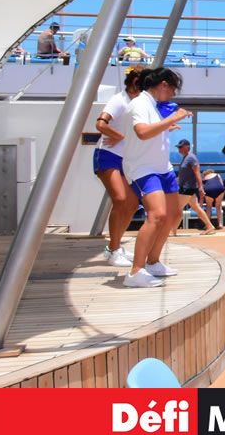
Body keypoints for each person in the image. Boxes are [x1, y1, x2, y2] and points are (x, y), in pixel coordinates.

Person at [120, 67, 191, 288]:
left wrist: (167, 127)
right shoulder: (140, 103)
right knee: (157, 214)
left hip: (162, 167)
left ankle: (153, 262)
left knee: (173, 214)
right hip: (143, 168)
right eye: (172, 90)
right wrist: (172, 118)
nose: (172, 95)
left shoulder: (152, 105)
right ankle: (135, 272)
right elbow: (142, 132)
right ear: (163, 85)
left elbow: (151, 132)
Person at [92, 67, 146, 267]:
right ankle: (114, 250)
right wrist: (120, 136)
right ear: (132, 82)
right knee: (121, 199)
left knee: (132, 204)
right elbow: (100, 124)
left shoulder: (139, 103)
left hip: (125, 159)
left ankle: (114, 247)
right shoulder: (118, 100)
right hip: (107, 156)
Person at [173, 140, 217, 235]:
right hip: (185, 188)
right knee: (196, 208)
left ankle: (172, 231)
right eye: (178, 147)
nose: (179, 149)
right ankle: (210, 226)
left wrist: (201, 187)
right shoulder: (185, 158)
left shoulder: (191, 158)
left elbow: (197, 173)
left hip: (188, 188)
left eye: (180, 147)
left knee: (177, 209)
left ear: (187, 147)